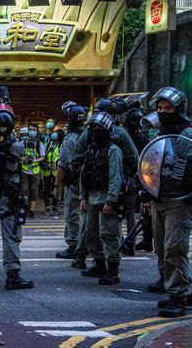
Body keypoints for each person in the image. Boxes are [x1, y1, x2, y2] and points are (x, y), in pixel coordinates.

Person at [143, 87, 192, 317]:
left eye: (168, 108)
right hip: (159, 198)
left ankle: (179, 297)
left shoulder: (187, 136)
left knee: (175, 248)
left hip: (179, 201)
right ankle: (178, 288)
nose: (163, 112)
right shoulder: (160, 134)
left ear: (179, 109)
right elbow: (150, 163)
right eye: (160, 108)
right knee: (162, 248)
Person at [0, 103, 34, 290]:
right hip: (9, 197)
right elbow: (9, 138)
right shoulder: (16, 146)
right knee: (10, 237)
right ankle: (13, 275)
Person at [79, 112, 124, 285]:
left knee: (109, 234)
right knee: (91, 234)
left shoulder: (113, 150)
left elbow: (115, 177)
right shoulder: (91, 149)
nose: (96, 131)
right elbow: (84, 173)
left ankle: (113, 271)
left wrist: (111, 201)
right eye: (94, 128)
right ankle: (99, 265)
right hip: (91, 197)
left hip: (106, 197)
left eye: (100, 128)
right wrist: (83, 196)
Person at [53, 104, 89, 268]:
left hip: (74, 182)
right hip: (88, 180)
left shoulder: (70, 139)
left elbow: (63, 164)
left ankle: (74, 245)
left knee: (72, 214)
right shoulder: (89, 133)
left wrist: (56, 185)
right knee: (86, 215)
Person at [121, 107, 153, 252]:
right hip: (140, 179)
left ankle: (129, 241)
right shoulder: (144, 139)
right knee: (134, 212)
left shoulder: (125, 137)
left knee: (124, 212)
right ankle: (133, 242)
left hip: (128, 177)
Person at [20, 123, 45, 219]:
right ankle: (25, 207)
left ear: (37, 131)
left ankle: (32, 210)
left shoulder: (40, 143)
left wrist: (33, 161)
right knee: (24, 190)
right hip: (25, 170)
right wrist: (24, 159)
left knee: (34, 191)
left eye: (34, 129)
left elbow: (42, 157)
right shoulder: (23, 143)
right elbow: (19, 155)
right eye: (30, 129)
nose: (32, 131)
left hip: (35, 171)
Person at [42, 129, 62, 216]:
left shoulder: (61, 146)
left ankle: (54, 207)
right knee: (46, 190)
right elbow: (43, 156)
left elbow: (61, 157)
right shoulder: (47, 145)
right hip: (46, 171)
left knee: (56, 189)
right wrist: (47, 152)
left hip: (56, 172)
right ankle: (47, 207)